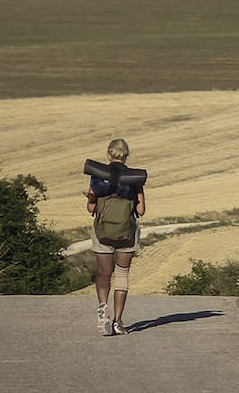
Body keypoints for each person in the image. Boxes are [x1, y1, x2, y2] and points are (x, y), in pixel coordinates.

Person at [85, 138, 146, 336]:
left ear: (109, 154)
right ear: (126, 155)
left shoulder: (98, 175)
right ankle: (118, 321)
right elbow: (141, 210)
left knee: (104, 274)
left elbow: (91, 208)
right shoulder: (134, 178)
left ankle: (103, 309)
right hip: (126, 233)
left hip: (102, 232)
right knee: (121, 275)